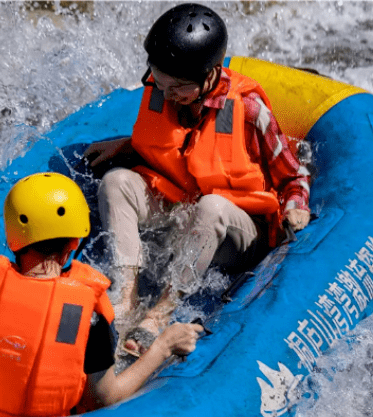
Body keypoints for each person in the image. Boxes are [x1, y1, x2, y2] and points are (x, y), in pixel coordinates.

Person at [84, 3, 311, 357]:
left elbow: (293, 175)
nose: (166, 93)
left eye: (178, 87)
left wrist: (297, 207)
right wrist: (127, 145)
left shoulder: (249, 110)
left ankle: (160, 313)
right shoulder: (162, 88)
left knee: (211, 206)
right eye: (159, 82)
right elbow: (179, 147)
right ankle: (125, 297)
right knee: (116, 182)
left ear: (209, 75)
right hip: (181, 208)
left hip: (236, 229)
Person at [0, 172, 203, 417]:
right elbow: (105, 399)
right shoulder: (87, 318)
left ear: (12, 240)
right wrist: (163, 346)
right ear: (73, 245)